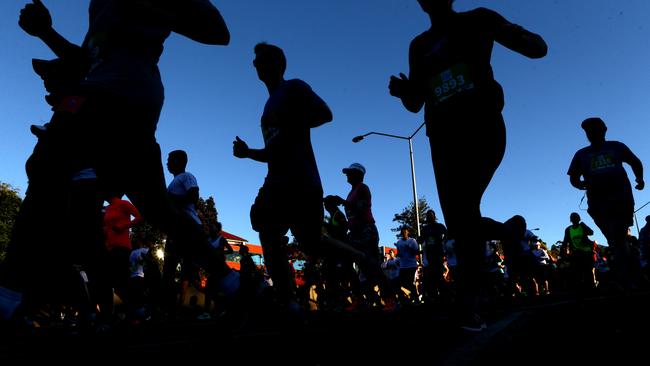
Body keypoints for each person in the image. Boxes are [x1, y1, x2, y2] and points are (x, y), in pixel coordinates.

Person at [0, 0, 234, 322]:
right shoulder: (98, 5)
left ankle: (10, 291)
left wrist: (159, 11)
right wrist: (45, 32)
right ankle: (234, 282)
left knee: (48, 158)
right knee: (158, 209)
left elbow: (218, 33)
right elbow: (88, 59)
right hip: (115, 99)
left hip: (120, 95)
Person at [388, 0, 547, 331]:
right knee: (460, 220)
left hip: (482, 125)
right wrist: (404, 91)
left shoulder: (479, 19)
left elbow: (538, 49)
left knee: (462, 213)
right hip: (442, 137)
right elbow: (415, 102)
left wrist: (514, 34)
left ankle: (470, 303)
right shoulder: (419, 45)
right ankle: (505, 234)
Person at [233, 42, 333, 310]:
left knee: (312, 243)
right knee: (264, 224)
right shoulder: (266, 108)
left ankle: (360, 258)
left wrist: (291, 117)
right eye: (254, 61)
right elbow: (272, 152)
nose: (256, 65)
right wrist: (247, 153)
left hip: (301, 178)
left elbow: (326, 114)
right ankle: (286, 298)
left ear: (278, 63)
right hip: (277, 179)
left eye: (261, 59)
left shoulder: (295, 88)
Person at [568, 117, 644, 289]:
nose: (592, 132)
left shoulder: (616, 146)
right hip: (597, 202)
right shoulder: (581, 154)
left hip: (620, 197)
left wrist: (639, 178)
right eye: (588, 130)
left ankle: (625, 279)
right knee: (614, 239)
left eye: (596, 129)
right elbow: (573, 177)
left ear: (604, 130)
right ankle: (633, 264)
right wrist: (580, 184)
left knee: (617, 235)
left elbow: (635, 162)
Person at [562, 212, 596, 290]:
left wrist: (584, 225)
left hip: (586, 252)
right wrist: (563, 252)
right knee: (578, 271)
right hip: (576, 252)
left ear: (579, 219)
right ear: (571, 220)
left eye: (576, 218)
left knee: (588, 271)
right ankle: (580, 288)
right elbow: (565, 241)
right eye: (573, 218)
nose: (574, 219)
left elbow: (591, 233)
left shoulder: (582, 226)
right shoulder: (568, 229)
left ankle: (591, 287)